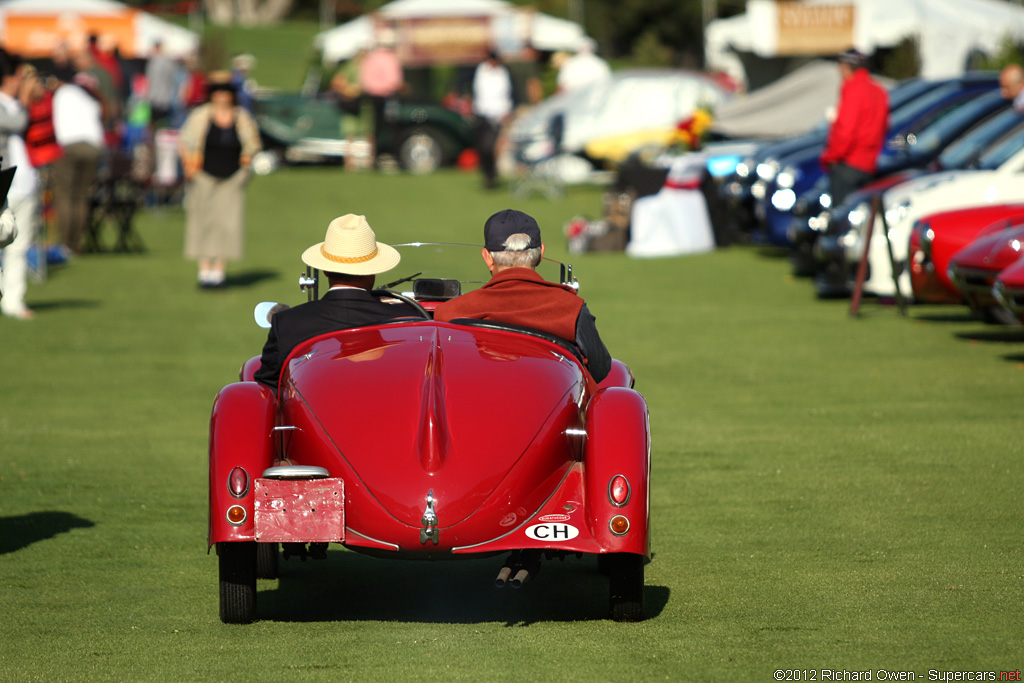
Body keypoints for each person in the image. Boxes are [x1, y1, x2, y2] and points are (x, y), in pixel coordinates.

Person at [433, 208, 611, 382]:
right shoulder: (571, 308)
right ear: (541, 253)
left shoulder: (450, 312)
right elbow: (601, 369)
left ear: (487, 257)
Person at [254, 214, 424, 393]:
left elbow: (267, 390)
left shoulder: (288, 322)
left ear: (326, 271)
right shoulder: (407, 320)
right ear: (373, 271)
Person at [178, 72, 261, 289]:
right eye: (218, 92)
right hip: (204, 174)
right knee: (203, 220)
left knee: (227, 223)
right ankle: (204, 270)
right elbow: (186, 141)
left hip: (232, 177)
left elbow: (252, 144)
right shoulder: (200, 116)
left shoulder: (241, 117)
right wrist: (190, 167)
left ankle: (219, 272)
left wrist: (245, 169)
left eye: (226, 92)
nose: (222, 97)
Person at [818, 49, 889, 206]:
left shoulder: (853, 88)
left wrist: (831, 156)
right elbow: (884, 127)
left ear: (845, 67)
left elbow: (845, 131)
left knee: (842, 216)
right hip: (869, 164)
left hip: (848, 164)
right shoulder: (879, 90)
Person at [0, 49, 38, 319]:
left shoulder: (18, 105)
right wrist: (24, 99)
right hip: (6, 186)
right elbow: (16, 123)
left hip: (24, 183)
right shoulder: (11, 107)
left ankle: (13, 299)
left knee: (20, 245)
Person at [51, 70, 105, 255]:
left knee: (66, 196)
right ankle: (76, 243)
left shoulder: (62, 94)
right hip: (93, 147)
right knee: (81, 196)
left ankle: (65, 244)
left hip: (69, 145)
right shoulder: (92, 100)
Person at [471, 50, 515, 189]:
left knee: (495, 147)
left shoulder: (503, 73)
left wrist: (507, 111)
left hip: (500, 116)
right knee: (485, 147)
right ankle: (488, 173)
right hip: (483, 114)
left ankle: (492, 174)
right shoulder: (480, 72)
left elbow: (509, 94)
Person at [358, 38, 404, 165]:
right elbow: (394, 82)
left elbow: (364, 80)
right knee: (390, 127)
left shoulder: (370, 58)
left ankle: (374, 156)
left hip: (371, 96)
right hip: (387, 97)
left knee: (374, 127)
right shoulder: (390, 59)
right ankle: (389, 154)